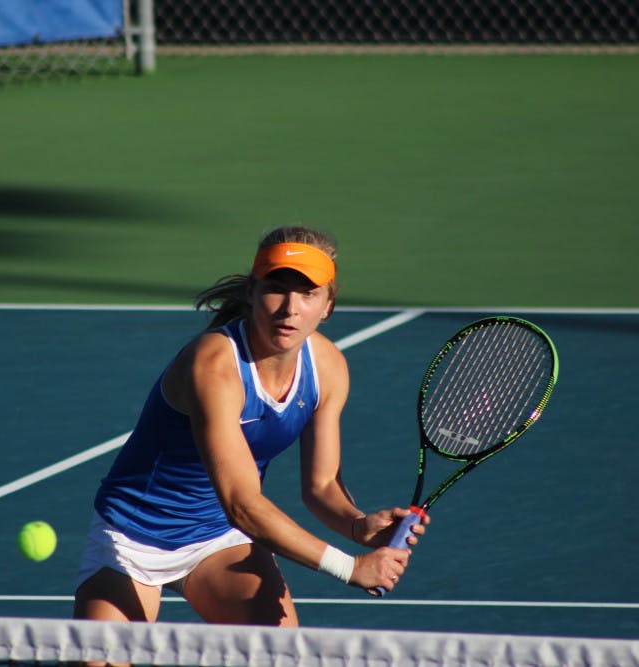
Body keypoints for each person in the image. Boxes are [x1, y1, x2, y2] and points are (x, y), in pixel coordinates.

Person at [74, 225, 428, 627]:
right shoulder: (214, 365)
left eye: (308, 294)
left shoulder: (328, 369)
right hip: (132, 540)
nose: (290, 308)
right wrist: (349, 567)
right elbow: (242, 504)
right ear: (252, 293)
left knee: (279, 655)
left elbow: (322, 486)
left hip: (218, 540)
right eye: (277, 288)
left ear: (327, 305)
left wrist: (356, 523)